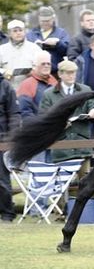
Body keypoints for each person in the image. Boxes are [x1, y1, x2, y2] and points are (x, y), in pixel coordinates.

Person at [39, 59, 94, 175]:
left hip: (82, 144)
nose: (72, 76)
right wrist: (59, 123)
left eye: (74, 72)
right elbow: (44, 117)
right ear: (60, 74)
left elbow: (93, 104)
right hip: (61, 146)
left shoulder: (85, 90)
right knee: (60, 184)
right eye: (68, 73)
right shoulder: (49, 94)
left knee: (85, 182)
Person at [0, 71, 21, 222]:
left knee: (2, 181)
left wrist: (11, 140)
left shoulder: (5, 87)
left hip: (2, 141)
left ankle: (7, 214)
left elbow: (14, 114)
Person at [26, 6, 70, 77]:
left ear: (53, 19)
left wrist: (58, 43)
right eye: (43, 21)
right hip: (35, 74)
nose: (45, 23)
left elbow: (67, 51)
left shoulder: (61, 33)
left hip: (55, 73)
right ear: (39, 20)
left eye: (48, 21)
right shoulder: (31, 34)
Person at [0, 19, 42, 89]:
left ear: (25, 32)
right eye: (15, 31)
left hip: (30, 90)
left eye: (20, 30)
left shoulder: (35, 48)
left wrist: (34, 72)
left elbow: (43, 66)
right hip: (8, 90)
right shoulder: (2, 49)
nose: (18, 33)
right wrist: (4, 72)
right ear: (9, 33)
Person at [17, 50, 57, 119]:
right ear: (34, 66)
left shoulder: (54, 82)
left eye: (48, 64)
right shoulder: (27, 84)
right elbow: (25, 112)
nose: (46, 66)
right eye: (43, 64)